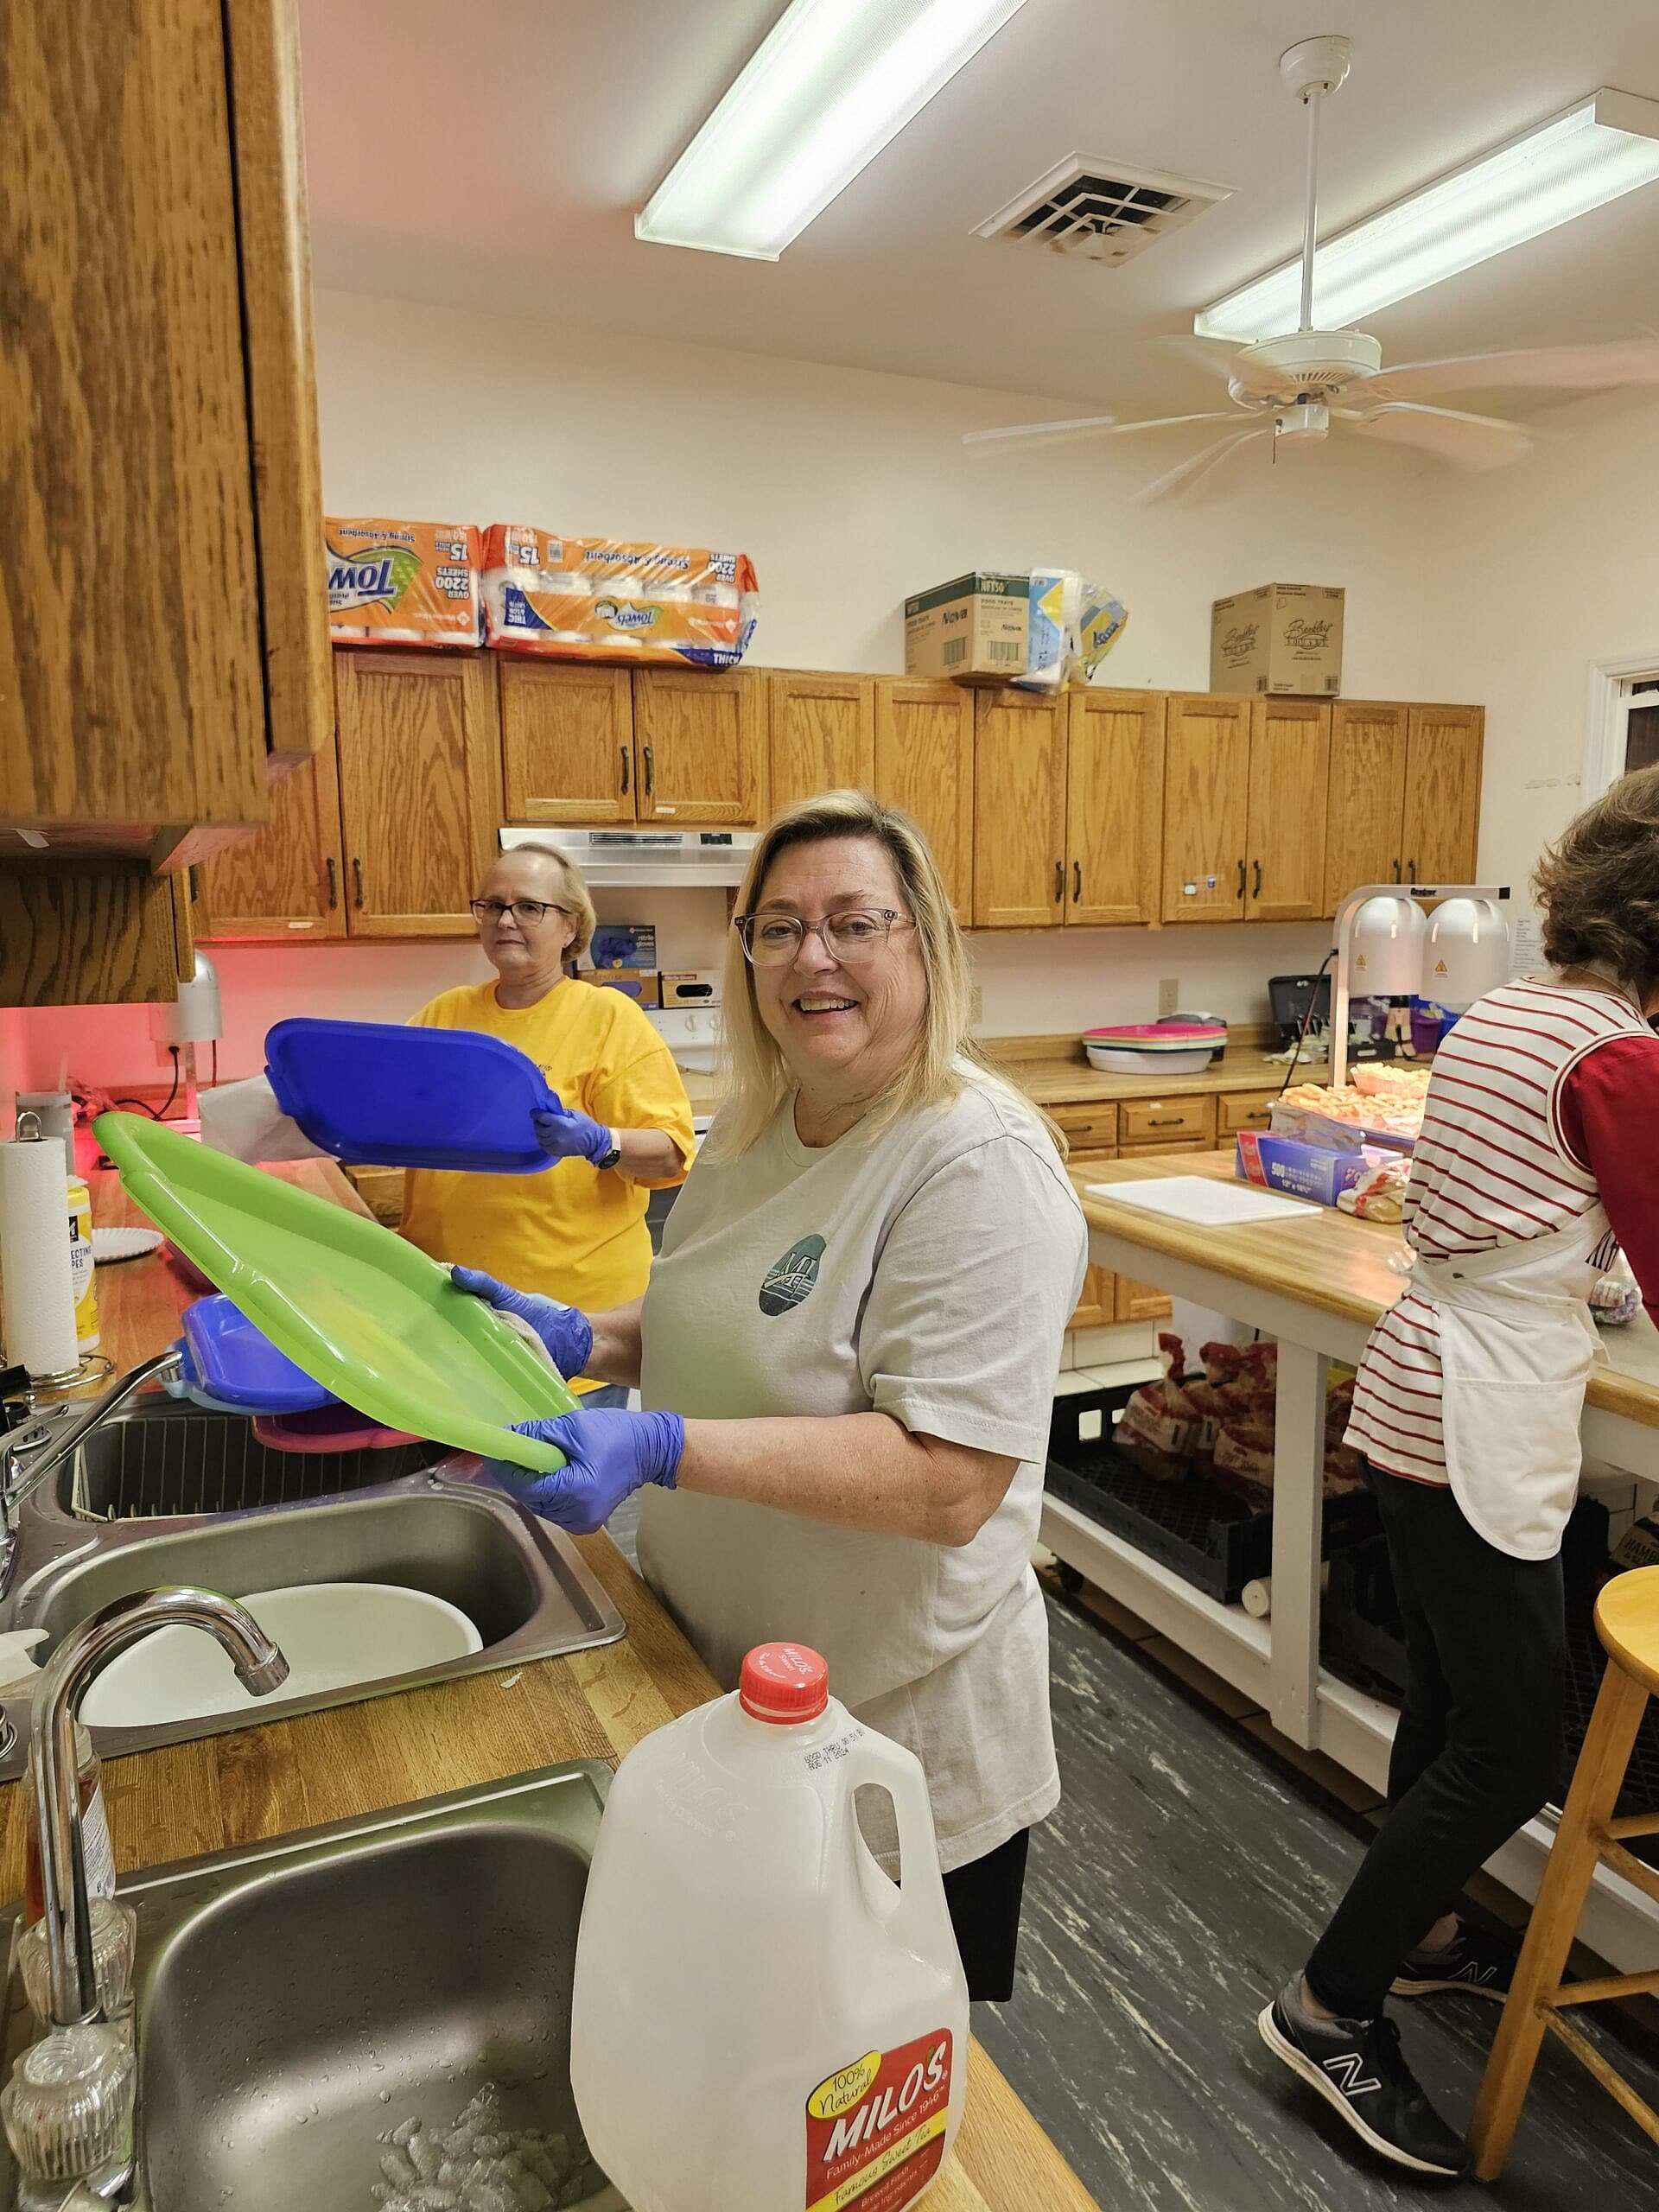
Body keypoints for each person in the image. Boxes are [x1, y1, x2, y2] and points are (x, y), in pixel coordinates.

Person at [456, 790, 1087, 1999]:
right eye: (780, 927)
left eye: (857, 922)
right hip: (725, 1688)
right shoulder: (759, 1119)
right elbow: (718, 1327)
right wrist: (589, 1335)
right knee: (753, 2048)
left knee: (868, 2089)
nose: (815, 958)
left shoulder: (975, 1160)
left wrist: (661, 1449)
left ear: (924, 942)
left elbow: (949, 1480)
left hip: (889, 1736)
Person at [1260, 766, 1659, 2178]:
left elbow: (1534, 1214)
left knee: (1445, 1691)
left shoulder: (1509, 1014)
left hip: (1418, 1386)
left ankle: (1420, 1939)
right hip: (1480, 1409)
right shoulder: (1621, 1056)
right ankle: (1327, 2004)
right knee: (1515, 1743)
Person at [407, 842, 694, 1408]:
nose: (505, 920)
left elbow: (671, 1152)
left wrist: (600, 1142)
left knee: (555, 1489)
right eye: (492, 905)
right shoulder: (444, 1015)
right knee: (473, 1489)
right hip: (451, 1313)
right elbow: (392, 1108)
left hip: (568, 1328)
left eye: (529, 907)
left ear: (572, 927)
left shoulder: (608, 1017)